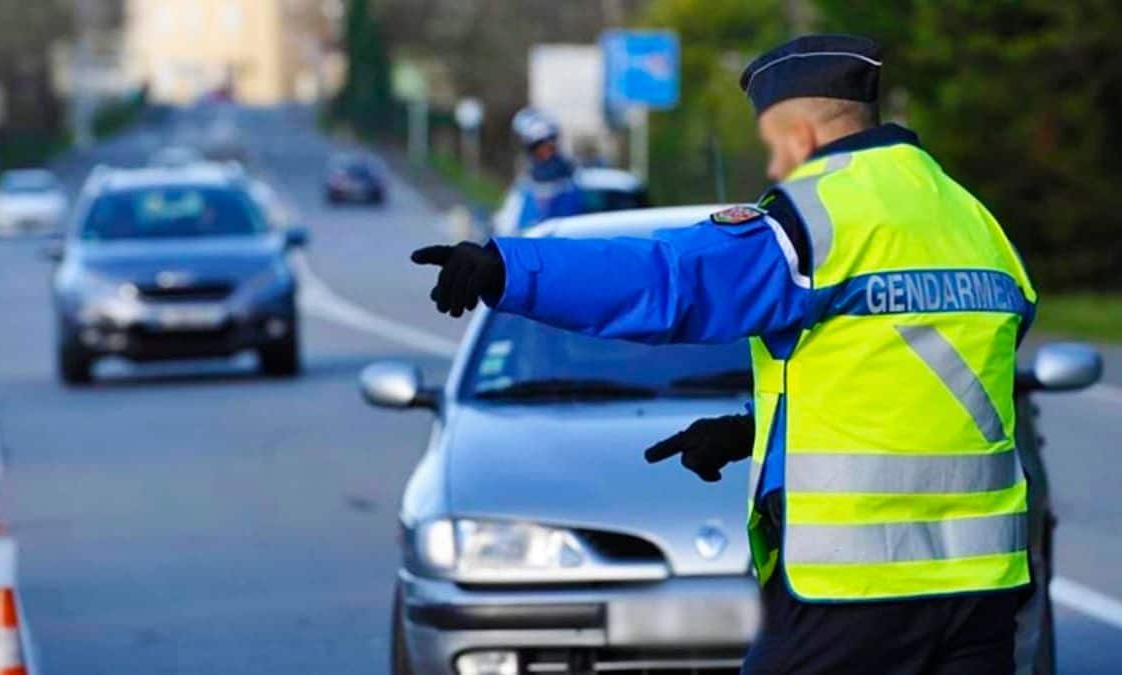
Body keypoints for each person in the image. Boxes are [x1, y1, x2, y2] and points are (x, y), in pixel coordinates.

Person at [411, 34, 1036, 674]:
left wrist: (508, 268)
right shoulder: (973, 222)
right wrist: (753, 430)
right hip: (980, 587)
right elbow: (909, 374)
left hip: (855, 590)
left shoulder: (819, 218)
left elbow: (669, 281)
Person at [495, 107, 585, 234]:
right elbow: (507, 227)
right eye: (538, 148)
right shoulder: (523, 190)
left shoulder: (570, 186)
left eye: (550, 147)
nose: (546, 154)